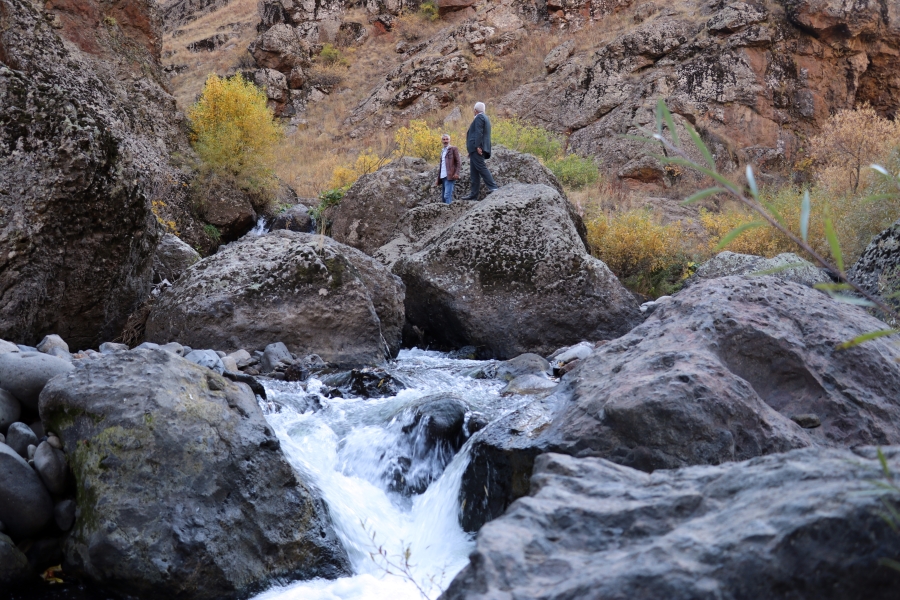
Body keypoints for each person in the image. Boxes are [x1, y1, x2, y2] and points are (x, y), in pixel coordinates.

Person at [461, 102, 499, 200]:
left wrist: (477, 146)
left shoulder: (479, 117)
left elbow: (479, 132)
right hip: (474, 150)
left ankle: (493, 187)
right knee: (474, 172)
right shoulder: (485, 118)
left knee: (481, 168)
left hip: (477, 148)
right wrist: (471, 150)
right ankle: (474, 195)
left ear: (475, 110)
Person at [435, 133, 461, 204]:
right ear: (442, 141)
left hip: (450, 176)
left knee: (447, 196)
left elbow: (458, 162)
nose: (445, 141)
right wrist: (438, 179)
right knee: (443, 198)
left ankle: (448, 213)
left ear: (450, 140)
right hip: (443, 176)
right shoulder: (442, 151)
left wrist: (456, 173)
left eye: (447, 139)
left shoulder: (453, 149)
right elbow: (441, 166)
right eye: (444, 139)